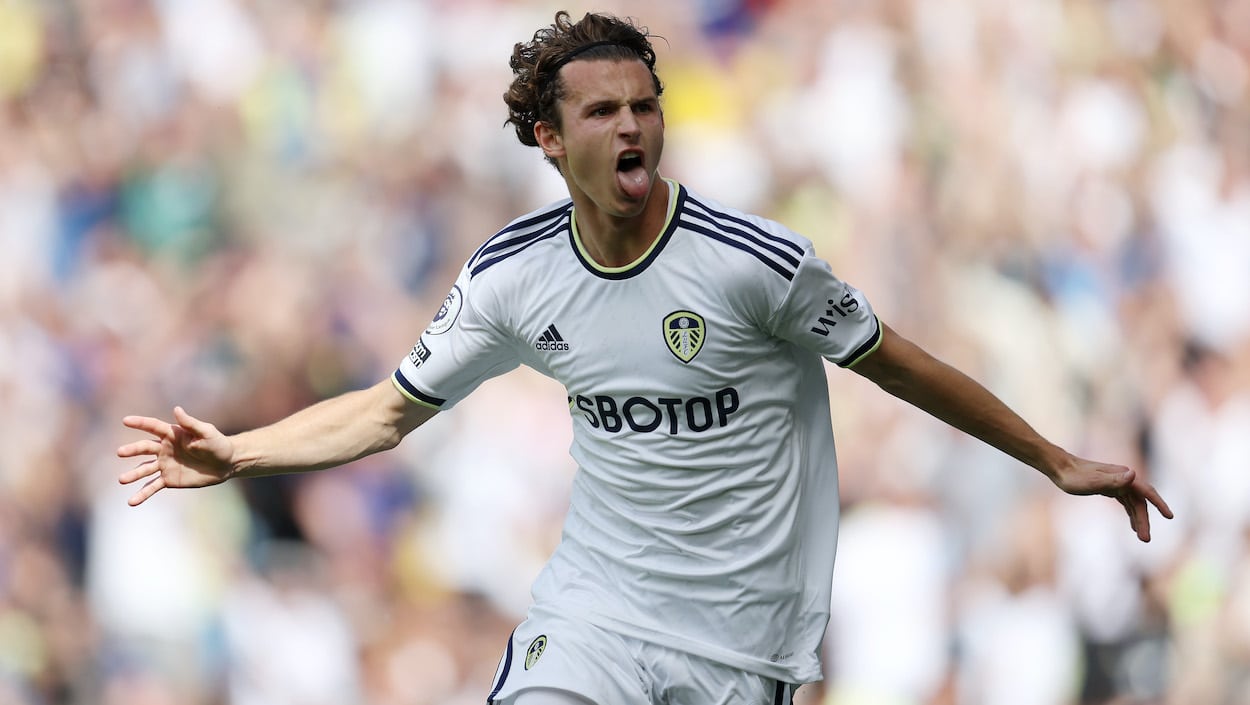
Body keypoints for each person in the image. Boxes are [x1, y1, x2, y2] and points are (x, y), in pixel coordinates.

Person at [117, 10, 1173, 705]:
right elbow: (389, 409)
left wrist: (1052, 460)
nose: (633, 127)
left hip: (741, 642)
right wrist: (240, 454)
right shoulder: (511, 278)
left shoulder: (749, 264)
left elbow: (900, 364)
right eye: (602, 111)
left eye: (643, 105)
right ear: (547, 139)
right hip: (595, 615)